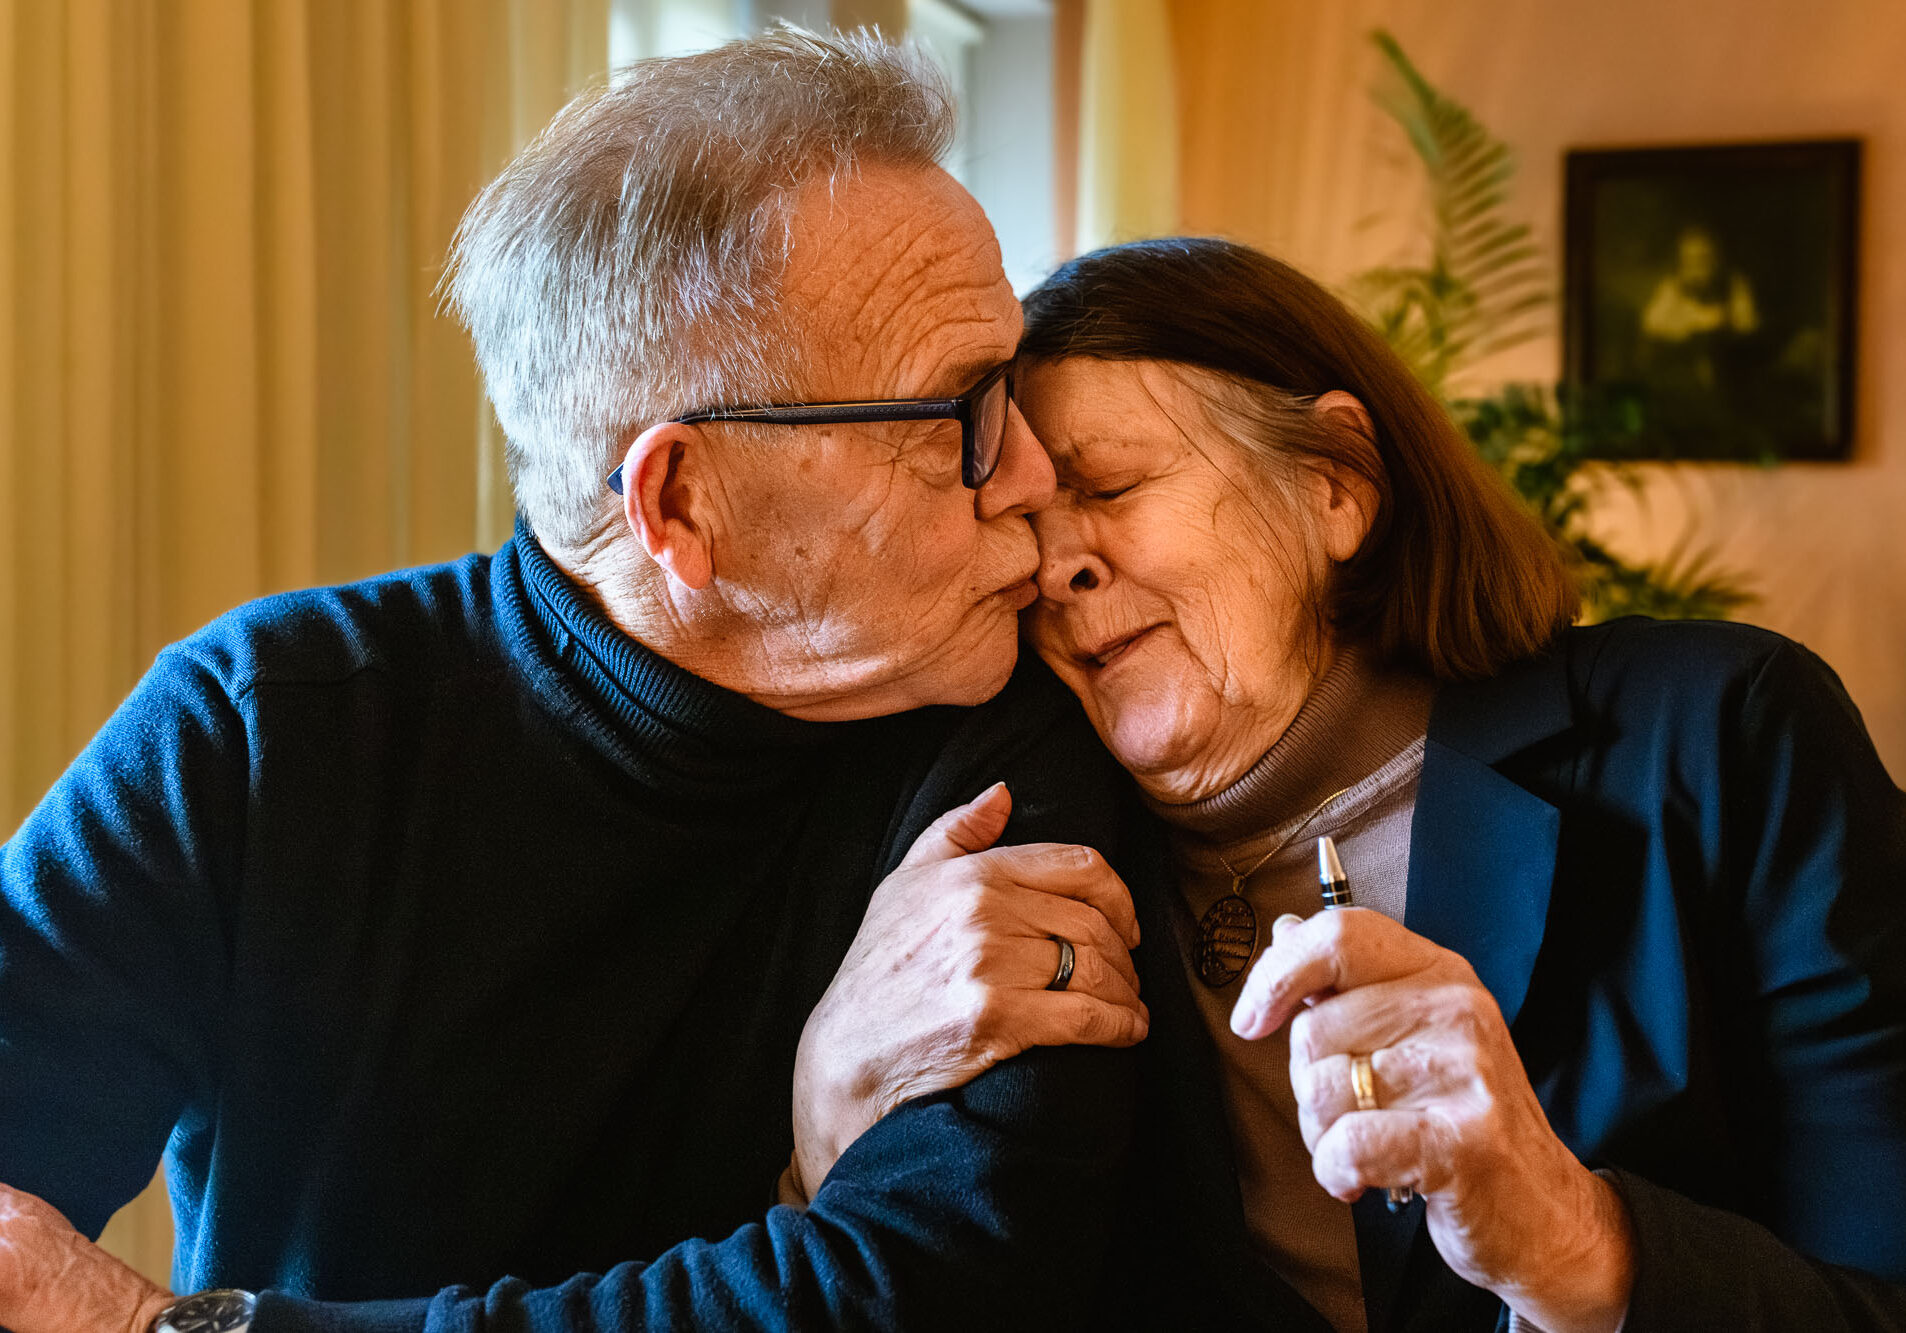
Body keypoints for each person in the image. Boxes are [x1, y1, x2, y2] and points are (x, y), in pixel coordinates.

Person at [0, 30, 1150, 1333]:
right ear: (679, 504)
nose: (1036, 479)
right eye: (962, 415)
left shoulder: (997, 727)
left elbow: (925, 1302)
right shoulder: (263, 730)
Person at [1002, 237, 1904, 1330]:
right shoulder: (1030, 864)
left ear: (1335, 482)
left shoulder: (1721, 735)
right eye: (1021, 525)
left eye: (1108, 485)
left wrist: (1578, 1246)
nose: (1055, 567)